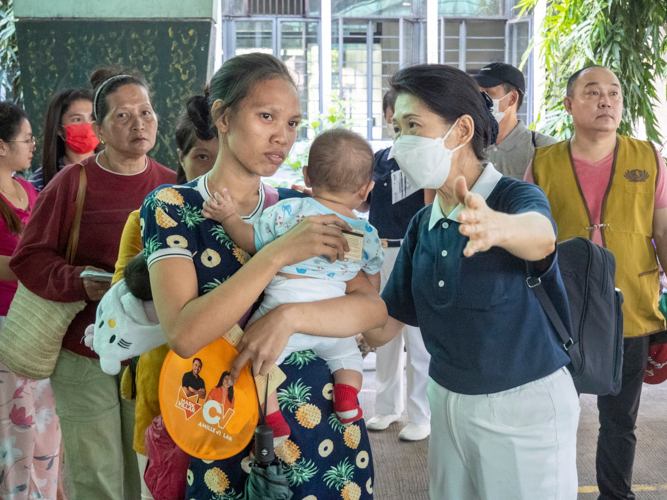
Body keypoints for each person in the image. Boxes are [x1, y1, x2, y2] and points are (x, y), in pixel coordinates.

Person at [142, 52, 385, 499]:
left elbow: (375, 313)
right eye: (267, 116)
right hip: (225, 430)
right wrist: (275, 255)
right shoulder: (173, 206)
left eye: (292, 123)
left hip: (326, 423)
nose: (282, 137)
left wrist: (288, 317)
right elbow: (185, 332)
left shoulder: (308, 206)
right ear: (223, 116)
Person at [363, 64, 580, 499]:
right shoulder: (423, 222)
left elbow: (541, 237)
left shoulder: (512, 198)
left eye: (413, 126)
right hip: (448, 403)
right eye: (396, 128)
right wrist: (326, 282)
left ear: (461, 130)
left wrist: (496, 228)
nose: (401, 141)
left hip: (522, 406)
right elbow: (383, 324)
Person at [10, 66, 176, 500]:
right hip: (83, 354)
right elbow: (29, 259)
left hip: (147, 354)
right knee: (94, 473)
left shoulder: (173, 187)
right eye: (122, 115)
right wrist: (80, 281)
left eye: (146, 111)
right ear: (99, 128)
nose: (138, 123)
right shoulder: (73, 183)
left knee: (145, 471)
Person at [526, 65, 667, 500]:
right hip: (562, 311)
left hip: (632, 307)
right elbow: (532, 234)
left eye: (614, 93)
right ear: (569, 105)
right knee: (556, 413)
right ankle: (552, 491)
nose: (606, 100)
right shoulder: (544, 163)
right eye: (592, 92)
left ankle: (616, 495)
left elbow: (662, 232)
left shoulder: (649, 157)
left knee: (620, 420)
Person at [202, 128, 383, 438]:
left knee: (256, 362)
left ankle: (272, 417)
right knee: (347, 356)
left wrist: (229, 217)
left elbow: (251, 241)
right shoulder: (361, 232)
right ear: (366, 189)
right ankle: (348, 399)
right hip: (332, 318)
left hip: (283, 304)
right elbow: (371, 279)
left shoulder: (289, 211)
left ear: (307, 176)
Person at [110, 92, 219, 500]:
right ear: (182, 157)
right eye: (202, 157)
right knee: (160, 485)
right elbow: (122, 296)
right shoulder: (145, 218)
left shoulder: (256, 222)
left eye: (223, 156)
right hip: (161, 384)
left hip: (230, 387)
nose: (212, 170)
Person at [361, 89, 433, 442]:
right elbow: (364, 202)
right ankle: (387, 407)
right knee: (384, 334)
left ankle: (421, 413)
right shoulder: (378, 158)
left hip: (414, 249)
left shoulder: (427, 160)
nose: (398, 124)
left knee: (418, 339)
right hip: (380, 251)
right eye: (394, 117)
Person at [0, 102, 64, 500]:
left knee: (47, 423)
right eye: (25, 139)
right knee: (12, 426)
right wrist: (35, 268)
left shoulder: (27, 188)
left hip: (38, 322)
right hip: (5, 323)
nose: (32, 146)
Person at [474, 62, 556, 179]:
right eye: (478, 93)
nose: (481, 100)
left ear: (512, 98)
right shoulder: (468, 147)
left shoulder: (544, 149)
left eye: (488, 93)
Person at [29, 88, 98, 192]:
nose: (88, 125)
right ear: (59, 129)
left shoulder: (116, 169)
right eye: (77, 119)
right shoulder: (40, 181)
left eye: (92, 118)